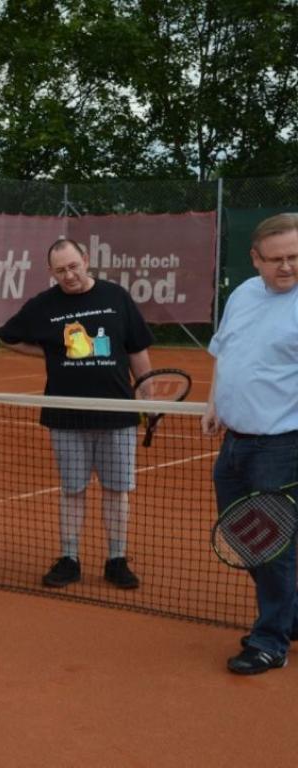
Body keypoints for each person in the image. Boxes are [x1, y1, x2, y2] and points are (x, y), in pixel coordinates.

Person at [0, 238, 153, 589]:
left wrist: (147, 395)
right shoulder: (43, 305)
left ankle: (117, 559)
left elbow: (137, 349)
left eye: (73, 267)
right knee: (72, 490)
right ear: (50, 272)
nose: (68, 275)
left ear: (85, 260)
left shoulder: (116, 297)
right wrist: (49, 352)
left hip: (117, 412)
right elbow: (7, 337)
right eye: (60, 271)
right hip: (66, 415)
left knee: (116, 490)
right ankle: (69, 558)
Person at [202, 212, 298, 675]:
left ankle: (270, 642)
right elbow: (224, 353)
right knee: (244, 535)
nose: (287, 266)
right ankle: (289, 616)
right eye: (276, 259)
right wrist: (212, 403)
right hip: (234, 443)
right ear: (255, 259)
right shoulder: (242, 293)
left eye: (295, 257)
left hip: (282, 445)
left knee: (273, 545)